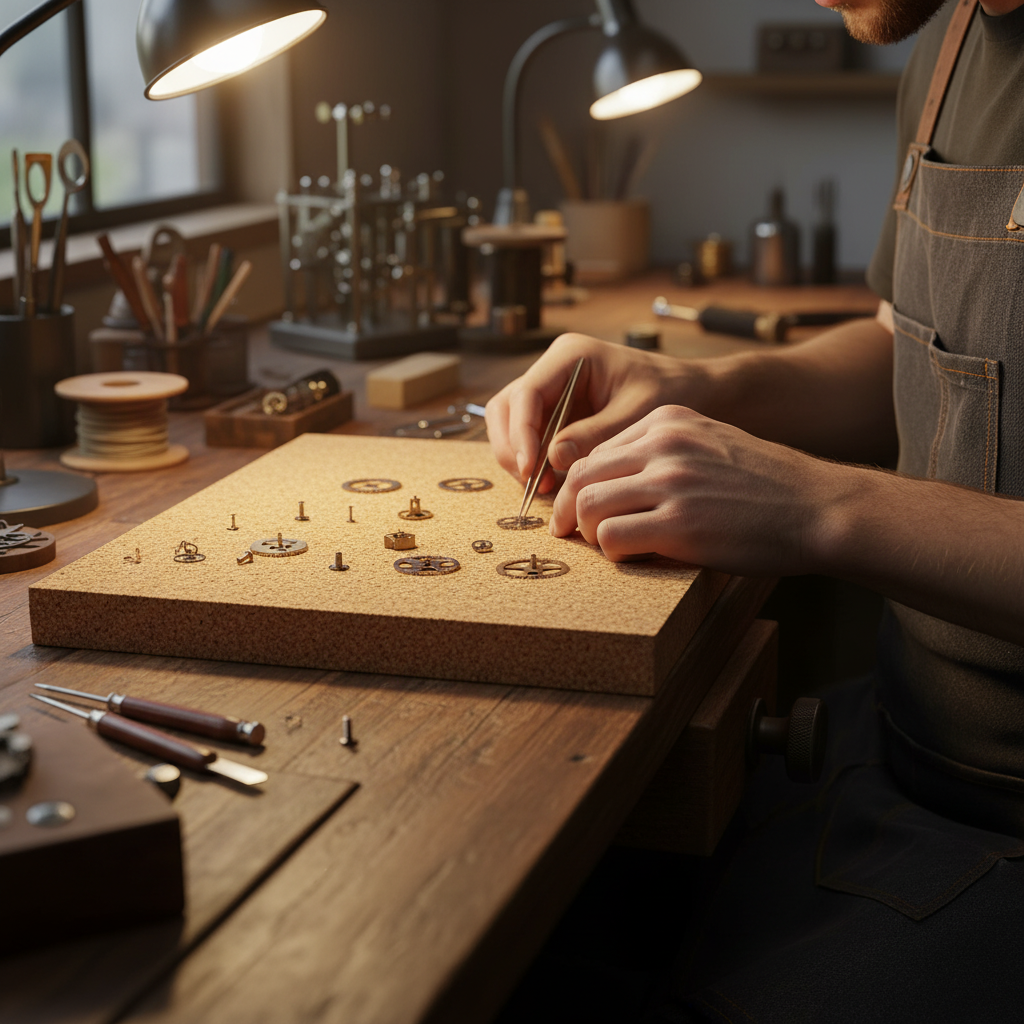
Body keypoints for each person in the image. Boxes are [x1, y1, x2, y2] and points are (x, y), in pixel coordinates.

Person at [488, 0, 1024, 1019]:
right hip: (892, 743)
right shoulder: (951, 34)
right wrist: (700, 387)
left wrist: (815, 503)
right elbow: (908, 348)